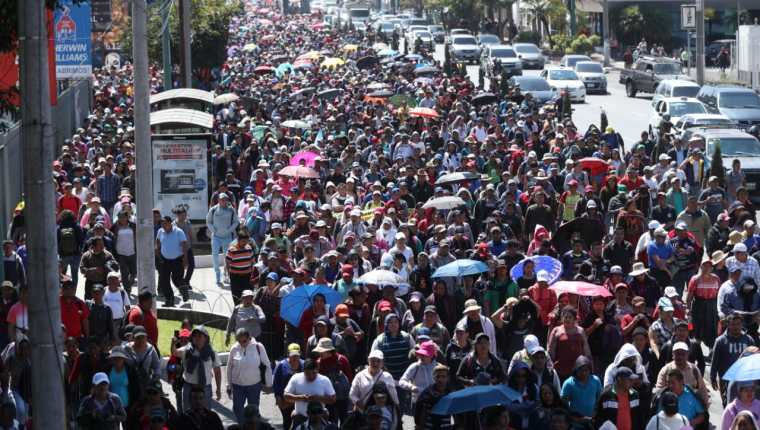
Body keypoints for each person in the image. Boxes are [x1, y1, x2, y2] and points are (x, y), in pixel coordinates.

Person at [227, 327, 273, 425]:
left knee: (253, 410)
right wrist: (229, 385)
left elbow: (267, 364)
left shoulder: (258, 347)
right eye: (239, 341)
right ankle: (244, 426)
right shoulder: (234, 348)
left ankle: (254, 426)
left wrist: (269, 384)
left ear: (249, 338)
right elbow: (229, 367)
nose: (242, 344)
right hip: (237, 385)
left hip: (254, 385)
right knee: (237, 408)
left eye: (244, 341)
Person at [171, 325, 223, 411]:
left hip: (205, 388)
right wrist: (173, 344)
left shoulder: (211, 352)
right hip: (189, 387)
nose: (197, 338)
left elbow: (217, 372)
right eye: (194, 336)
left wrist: (218, 389)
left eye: (200, 336)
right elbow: (175, 353)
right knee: (188, 413)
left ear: (205, 338)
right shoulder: (187, 350)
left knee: (206, 413)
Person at [711, 313, 755, 406]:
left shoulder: (749, 340)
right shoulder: (720, 341)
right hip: (726, 380)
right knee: (728, 406)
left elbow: (754, 360)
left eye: (738, 324)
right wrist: (713, 377)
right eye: (733, 324)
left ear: (742, 324)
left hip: (745, 380)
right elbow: (715, 361)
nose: (736, 327)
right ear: (728, 325)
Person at [283, 359, 336, 428]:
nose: (311, 376)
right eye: (307, 374)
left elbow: (333, 399)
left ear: (317, 369)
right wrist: (300, 398)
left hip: (319, 419)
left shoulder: (325, 380)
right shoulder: (296, 378)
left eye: (313, 373)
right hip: (300, 418)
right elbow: (286, 395)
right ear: (303, 371)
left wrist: (317, 398)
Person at [206, 192, 240, 286]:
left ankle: (226, 274)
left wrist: (230, 230)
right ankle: (217, 274)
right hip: (216, 237)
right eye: (222, 199)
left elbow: (236, 222)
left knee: (228, 257)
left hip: (227, 237)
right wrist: (214, 230)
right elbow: (208, 221)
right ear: (218, 200)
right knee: (215, 256)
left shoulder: (231, 210)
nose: (224, 201)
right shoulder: (213, 209)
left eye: (225, 199)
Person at [155, 215, 189, 306]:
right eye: (162, 224)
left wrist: (185, 259)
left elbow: (184, 245)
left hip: (177, 260)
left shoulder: (178, 232)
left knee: (176, 279)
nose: (163, 226)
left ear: (170, 223)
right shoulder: (160, 231)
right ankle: (169, 300)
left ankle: (184, 291)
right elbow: (158, 241)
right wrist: (158, 251)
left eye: (165, 224)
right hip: (165, 260)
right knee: (164, 280)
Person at [561, 356, 601, 429]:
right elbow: (564, 406)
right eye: (581, 370)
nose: (584, 373)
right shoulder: (568, 384)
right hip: (575, 423)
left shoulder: (596, 381)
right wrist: (576, 418)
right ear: (575, 370)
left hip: (592, 421)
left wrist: (595, 413)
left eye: (586, 370)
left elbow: (599, 399)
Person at [273, 343, 304, 430]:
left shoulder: (304, 364)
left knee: (299, 421)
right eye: (292, 355)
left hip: (300, 399)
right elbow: (276, 383)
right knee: (287, 421)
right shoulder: (281, 365)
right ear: (288, 354)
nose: (295, 358)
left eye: (296, 355)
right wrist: (278, 397)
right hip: (285, 400)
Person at [414, 363, 453, 430]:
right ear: (434, 377)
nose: (440, 379)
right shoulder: (427, 393)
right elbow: (419, 411)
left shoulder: (451, 393)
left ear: (448, 378)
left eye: (443, 376)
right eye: (438, 376)